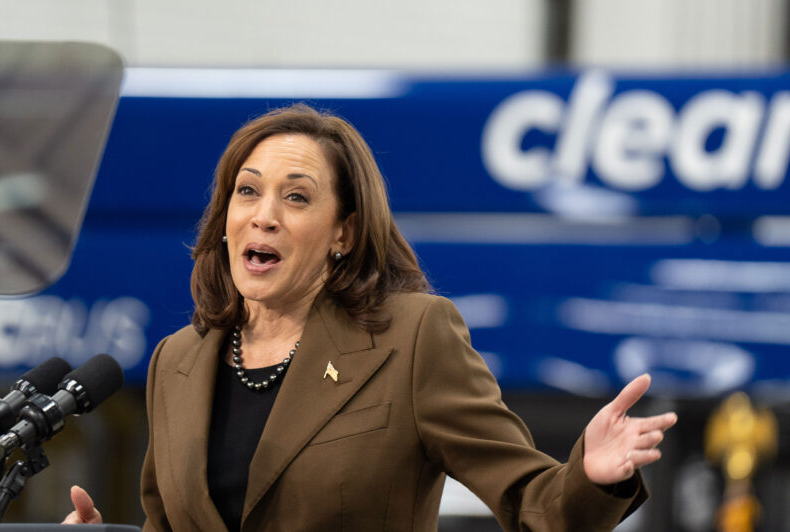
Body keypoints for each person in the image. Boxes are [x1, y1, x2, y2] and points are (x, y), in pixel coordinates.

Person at [64, 104, 677, 531]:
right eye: (247, 192)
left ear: (343, 233)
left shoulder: (412, 337)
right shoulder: (179, 360)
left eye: (296, 196)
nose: (263, 214)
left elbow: (530, 503)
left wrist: (590, 477)